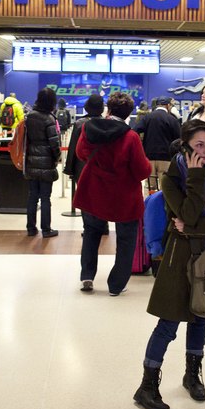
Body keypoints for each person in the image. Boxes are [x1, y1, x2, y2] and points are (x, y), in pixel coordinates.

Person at [133, 120, 205, 409]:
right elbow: (188, 211)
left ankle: (192, 375)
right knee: (169, 322)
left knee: (201, 318)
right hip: (180, 258)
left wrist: (195, 226)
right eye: (199, 145)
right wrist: (197, 178)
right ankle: (147, 385)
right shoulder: (172, 179)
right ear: (186, 147)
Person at [73, 91, 151, 295]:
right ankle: (116, 285)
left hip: (94, 190)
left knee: (91, 233)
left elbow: (81, 153)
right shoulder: (131, 137)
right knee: (126, 239)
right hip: (122, 194)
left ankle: (87, 276)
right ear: (128, 114)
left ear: (108, 108)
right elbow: (142, 170)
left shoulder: (89, 128)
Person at [24, 87, 62, 238]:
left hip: (31, 161)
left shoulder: (30, 116)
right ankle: (46, 229)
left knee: (32, 196)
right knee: (45, 197)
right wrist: (57, 157)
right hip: (46, 163)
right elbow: (54, 144)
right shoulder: (49, 119)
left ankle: (31, 228)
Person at [134, 96, 181, 189]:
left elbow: (135, 130)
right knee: (166, 188)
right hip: (166, 158)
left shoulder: (148, 117)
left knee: (150, 188)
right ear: (167, 105)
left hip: (149, 157)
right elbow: (179, 139)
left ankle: (149, 203)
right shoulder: (172, 119)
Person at [64, 93, 104, 183]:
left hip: (81, 167)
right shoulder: (107, 124)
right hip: (101, 167)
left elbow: (73, 148)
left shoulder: (79, 124)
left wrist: (69, 169)